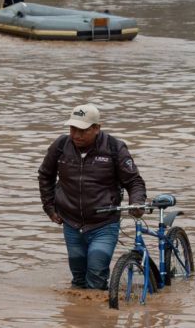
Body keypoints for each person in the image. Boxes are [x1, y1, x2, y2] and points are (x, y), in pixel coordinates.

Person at [38, 104, 147, 290]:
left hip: (104, 223)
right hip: (71, 222)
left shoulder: (114, 147)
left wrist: (136, 202)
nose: (76, 135)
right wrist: (49, 207)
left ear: (97, 128)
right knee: (78, 278)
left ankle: (101, 312)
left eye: (83, 130)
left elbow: (134, 181)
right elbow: (45, 176)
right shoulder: (60, 146)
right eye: (73, 129)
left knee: (96, 274)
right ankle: (81, 316)